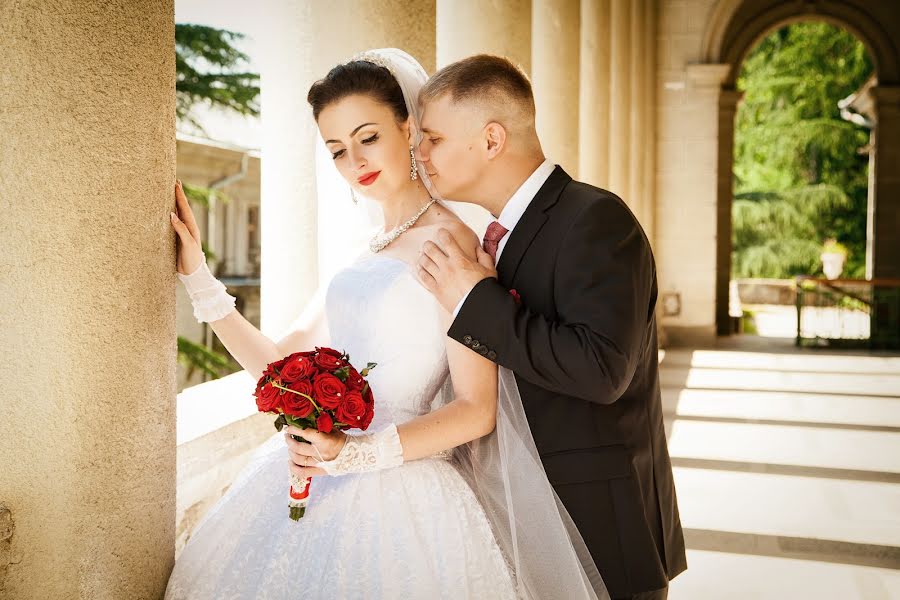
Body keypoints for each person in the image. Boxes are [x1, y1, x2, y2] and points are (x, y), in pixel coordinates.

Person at [165, 48, 608, 600]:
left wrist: (354, 454)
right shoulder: (363, 251)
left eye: (368, 137)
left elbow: (477, 410)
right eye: (337, 150)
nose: (355, 162)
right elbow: (282, 366)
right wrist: (200, 280)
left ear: (408, 127)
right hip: (323, 474)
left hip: (405, 489)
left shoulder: (454, 245)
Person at [414, 54, 688, 600]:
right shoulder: (489, 236)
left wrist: (475, 300)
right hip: (517, 523)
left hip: (600, 529)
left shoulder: (595, 219)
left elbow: (601, 369)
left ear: (492, 140)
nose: (419, 156)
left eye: (432, 139)